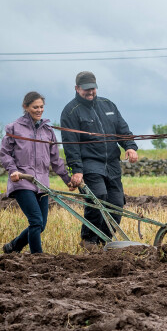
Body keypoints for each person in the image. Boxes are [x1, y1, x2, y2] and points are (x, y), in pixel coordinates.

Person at [60, 71, 139, 249]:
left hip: (111, 164)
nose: (90, 92)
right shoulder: (70, 111)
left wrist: (130, 146)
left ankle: (105, 240)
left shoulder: (108, 105)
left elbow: (122, 130)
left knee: (117, 204)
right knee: (98, 197)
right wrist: (77, 169)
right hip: (89, 163)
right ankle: (89, 239)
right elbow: (70, 144)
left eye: (93, 88)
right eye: (86, 89)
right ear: (77, 88)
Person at [0, 91, 75, 254]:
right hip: (22, 180)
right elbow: (5, 153)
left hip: (42, 184)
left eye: (41, 107)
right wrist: (13, 170)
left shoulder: (48, 130)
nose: (39, 110)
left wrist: (66, 179)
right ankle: (37, 257)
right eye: (35, 107)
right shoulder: (14, 128)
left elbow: (55, 159)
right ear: (26, 107)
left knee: (41, 225)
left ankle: (13, 246)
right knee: (35, 221)